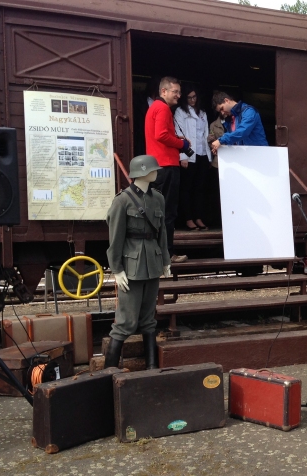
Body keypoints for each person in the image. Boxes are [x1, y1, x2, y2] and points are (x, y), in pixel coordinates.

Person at [104, 155, 171, 370]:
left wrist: (166, 260)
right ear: (142, 172)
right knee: (125, 322)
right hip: (131, 267)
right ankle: (109, 373)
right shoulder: (122, 201)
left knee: (149, 319)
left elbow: (162, 234)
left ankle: (151, 369)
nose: (156, 172)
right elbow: (115, 238)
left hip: (152, 263)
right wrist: (117, 269)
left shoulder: (158, 198)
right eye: (153, 169)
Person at [145, 76, 189, 263]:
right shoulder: (163, 108)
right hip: (167, 165)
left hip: (157, 165)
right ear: (164, 91)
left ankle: (158, 253)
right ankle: (167, 254)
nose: (179, 96)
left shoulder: (154, 108)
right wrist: (182, 144)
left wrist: (176, 137)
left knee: (158, 211)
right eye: (175, 92)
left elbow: (159, 135)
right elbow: (161, 134)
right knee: (168, 212)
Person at [174, 85, 212, 231]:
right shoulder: (180, 112)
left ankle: (198, 217)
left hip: (202, 153)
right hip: (189, 154)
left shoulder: (202, 113)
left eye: (194, 97)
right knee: (186, 189)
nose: (192, 100)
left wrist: (208, 156)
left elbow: (205, 134)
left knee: (200, 189)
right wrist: (183, 155)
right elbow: (179, 133)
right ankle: (188, 218)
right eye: (189, 97)